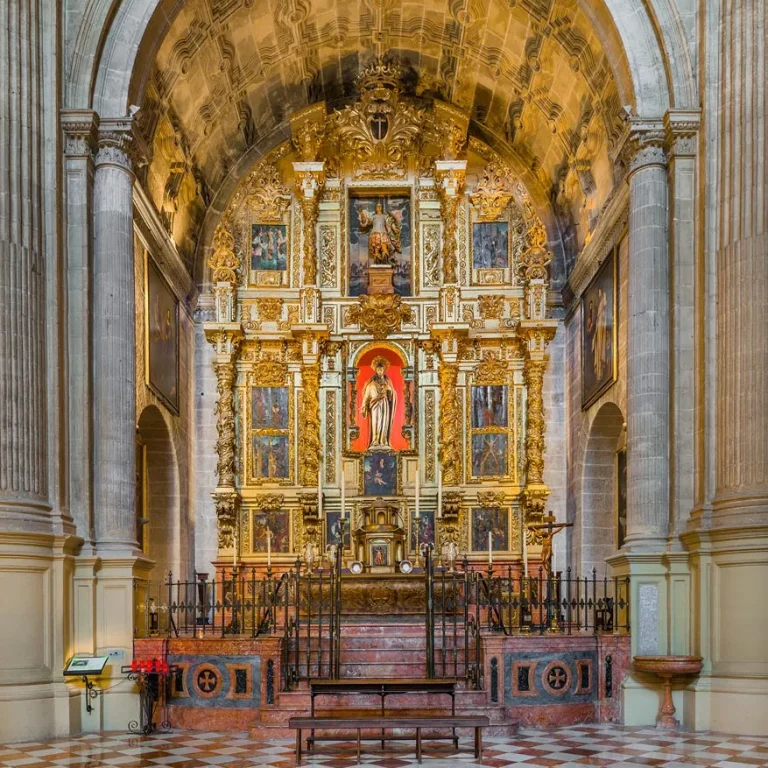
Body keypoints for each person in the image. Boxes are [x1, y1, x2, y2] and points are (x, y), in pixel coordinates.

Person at [360, 357, 397, 450]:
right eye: (378, 369)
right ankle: (375, 441)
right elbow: (366, 395)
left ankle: (383, 441)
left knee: (384, 422)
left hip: (385, 404)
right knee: (376, 422)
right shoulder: (371, 384)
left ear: (384, 370)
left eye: (381, 369)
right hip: (375, 405)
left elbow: (393, 394)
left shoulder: (388, 382)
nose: (380, 371)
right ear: (376, 370)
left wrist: (390, 390)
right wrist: (364, 405)